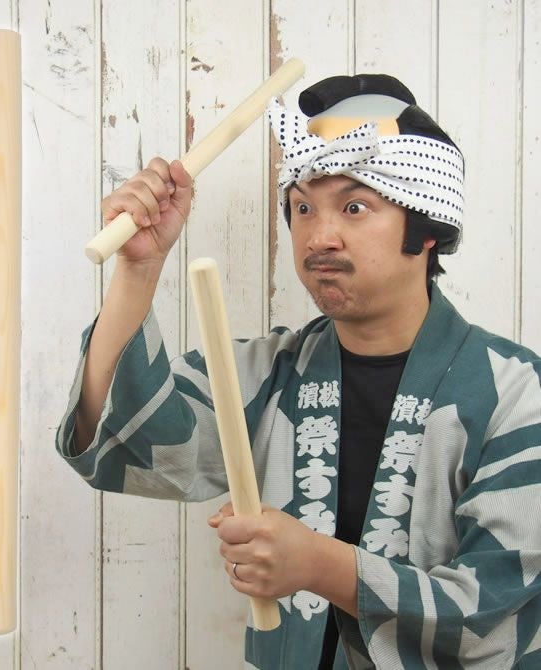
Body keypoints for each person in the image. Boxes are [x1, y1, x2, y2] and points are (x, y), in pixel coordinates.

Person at [56, 74, 541, 669]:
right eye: (303, 207)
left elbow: (496, 612)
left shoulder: (515, 392)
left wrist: (316, 563)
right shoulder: (269, 373)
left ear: (427, 230)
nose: (319, 236)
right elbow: (131, 442)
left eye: (355, 207)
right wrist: (139, 269)